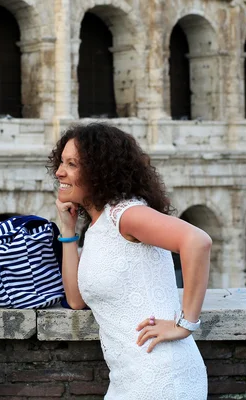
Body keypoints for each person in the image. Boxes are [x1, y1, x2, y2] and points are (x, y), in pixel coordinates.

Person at [49, 123, 210, 399]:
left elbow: (197, 241)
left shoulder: (125, 214)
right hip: (130, 378)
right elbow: (76, 300)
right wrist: (68, 231)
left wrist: (185, 324)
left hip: (162, 376)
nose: (59, 172)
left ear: (99, 171)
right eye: (61, 162)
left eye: (72, 164)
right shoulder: (99, 227)